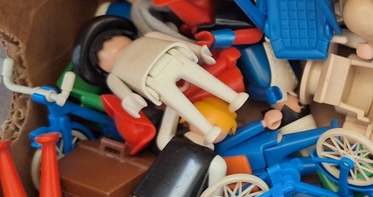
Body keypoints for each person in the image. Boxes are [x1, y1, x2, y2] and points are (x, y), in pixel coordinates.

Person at [71, 16, 249, 145]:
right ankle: (208, 127)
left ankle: (233, 98)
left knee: (199, 77)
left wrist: (197, 50)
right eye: (101, 53)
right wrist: (131, 100)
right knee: (180, 103)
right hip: (154, 81)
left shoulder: (146, 38)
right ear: (102, 69)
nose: (111, 49)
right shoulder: (114, 75)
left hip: (170, 59)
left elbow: (170, 40)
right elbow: (122, 92)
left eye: (111, 40)